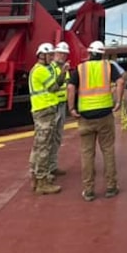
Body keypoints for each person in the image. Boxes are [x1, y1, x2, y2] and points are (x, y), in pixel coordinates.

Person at [67, 40, 124, 202]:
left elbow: (71, 88)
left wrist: (72, 108)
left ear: (89, 52)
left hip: (85, 117)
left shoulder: (80, 68)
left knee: (87, 154)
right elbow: (120, 81)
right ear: (102, 54)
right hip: (105, 115)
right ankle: (111, 187)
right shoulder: (108, 66)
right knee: (108, 150)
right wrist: (118, 101)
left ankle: (89, 190)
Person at [27, 42, 62, 195]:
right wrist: (63, 72)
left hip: (40, 111)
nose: (52, 58)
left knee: (38, 145)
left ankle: (36, 176)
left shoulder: (36, 70)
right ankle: (42, 182)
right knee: (44, 147)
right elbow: (54, 87)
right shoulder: (40, 71)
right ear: (43, 55)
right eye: (50, 55)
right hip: (44, 111)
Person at [48, 41, 72, 182]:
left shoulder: (65, 68)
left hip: (61, 105)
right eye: (60, 53)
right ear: (54, 53)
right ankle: (46, 170)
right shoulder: (50, 68)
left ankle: (53, 166)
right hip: (52, 106)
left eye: (64, 54)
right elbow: (53, 86)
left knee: (57, 137)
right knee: (49, 138)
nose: (62, 56)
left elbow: (68, 87)